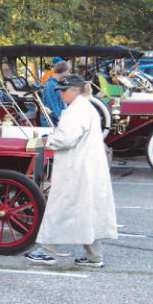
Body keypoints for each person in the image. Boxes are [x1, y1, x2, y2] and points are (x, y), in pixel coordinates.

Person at [25, 74, 117, 267]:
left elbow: (66, 139)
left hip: (76, 168)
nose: (60, 94)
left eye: (63, 90)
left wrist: (47, 140)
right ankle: (94, 257)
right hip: (89, 167)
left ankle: (47, 251)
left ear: (75, 90)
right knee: (89, 210)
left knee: (59, 208)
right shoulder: (87, 108)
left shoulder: (75, 111)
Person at [40, 60, 70, 125]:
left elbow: (64, 104)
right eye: (68, 72)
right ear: (63, 72)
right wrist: (63, 120)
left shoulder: (59, 83)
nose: (69, 74)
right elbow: (53, 107)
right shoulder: (50, 85)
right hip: (50, 122)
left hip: (59, 120)